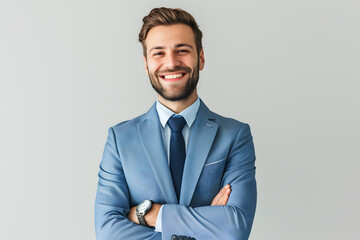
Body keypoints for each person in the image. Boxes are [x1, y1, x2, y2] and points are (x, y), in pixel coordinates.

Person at [95, 7, 257, 240]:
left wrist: (149, 215)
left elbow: (234, 228)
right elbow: (108, 232)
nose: (171, 63)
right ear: (146, 64)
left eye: (182, 50)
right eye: (158, 53)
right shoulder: (120, 139)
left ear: (200, 58)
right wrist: (206, 226)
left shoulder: (235, 135)